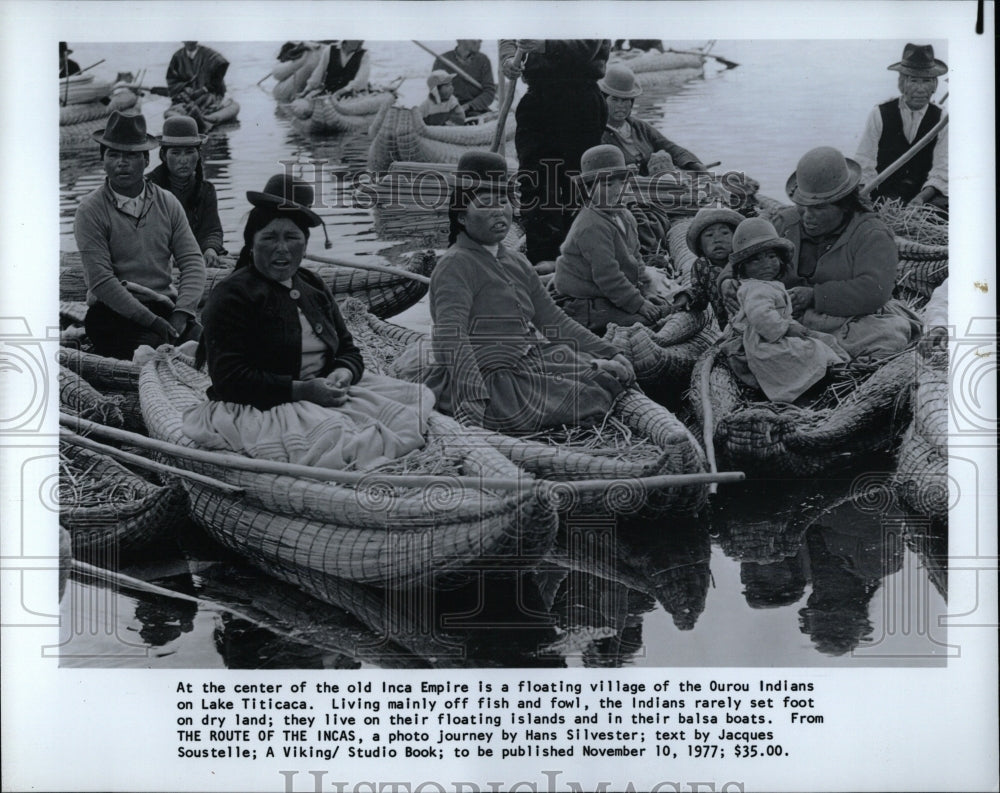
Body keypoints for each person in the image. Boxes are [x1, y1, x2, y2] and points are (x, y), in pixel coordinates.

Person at [186, 174, 434, 471]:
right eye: (269, 238)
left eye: (292, 238)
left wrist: (343, 373)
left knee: (414, 402)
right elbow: (229, 380)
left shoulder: (312, 285)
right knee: (341, 441)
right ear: (251, 243)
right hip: (262, 407)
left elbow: (347, 349)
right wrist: (301, 391)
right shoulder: (232, 294)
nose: (282, 249)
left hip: (321, 394)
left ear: (305, 245)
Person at [392, 151, 636, 435]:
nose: (499, 212)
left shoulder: (516, 261)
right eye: (485, 204)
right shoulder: (455, 265)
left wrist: (609, 351)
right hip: (485, 374)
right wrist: (473, 396)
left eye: (504, 201)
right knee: (589, 399)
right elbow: (451, 337)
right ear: (461, 216)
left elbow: (553, 321)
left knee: (605, 378)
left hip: (528, 356)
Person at [719, 146, 919, 360]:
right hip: (782, 322)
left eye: (819, 208)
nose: (807, 216)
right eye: (803, 206)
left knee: (891, 335)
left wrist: (815, 296)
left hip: (848, 322)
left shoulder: (872, 234)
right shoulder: (785, 222)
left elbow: (874, 291)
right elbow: (743, 254)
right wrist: (727, 281)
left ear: (844, 205)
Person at [73, 111, 206, 360]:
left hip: (163, 304)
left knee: (210, 345)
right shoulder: (90, 210)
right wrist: (153, 322)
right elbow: (101, 281)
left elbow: (193, 262)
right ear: (103, 160)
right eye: (113, 154)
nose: (122, 163)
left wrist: (181, 313)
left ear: (146, 160)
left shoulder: (167, 202)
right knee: (152, 350)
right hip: (112, 311)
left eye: (131, 155)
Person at [499, 38, 611, 264]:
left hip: (579, 98)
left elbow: (588, 46)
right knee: (534, 184)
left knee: (577, 187)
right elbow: (510, 36)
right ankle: (542, 263)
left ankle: (579, 262)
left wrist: (545, 46)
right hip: (538, 99)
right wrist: (509, 59)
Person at [720, 218, 850, 404]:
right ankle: (813, 383)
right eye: (756, 260)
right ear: (744, 267)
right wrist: (787, 329)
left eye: (772, 257)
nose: (766, 264)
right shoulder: (756, 289)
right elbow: (762, 316)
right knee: (805, 350)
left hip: (772, 332)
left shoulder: (767, 285)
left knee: (821, 340)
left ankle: (835, 369)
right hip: (764, 339)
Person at [552, 145, 667, 335]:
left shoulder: (625, 216)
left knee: (661, 309)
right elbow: (607, 275)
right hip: (584, 300)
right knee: (646, 323)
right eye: (607, 185)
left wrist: (645, 292)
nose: (618, 191)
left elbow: (636, 259)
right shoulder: (591, 225)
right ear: (589, 190)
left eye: (622, 184)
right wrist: (638, 304)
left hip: (611, 292)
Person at [855, 43, 948, 211]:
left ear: (935, 85)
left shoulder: (942, 119)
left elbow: (943, 168)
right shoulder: (879, 113)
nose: (920, 89)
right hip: (885, 193)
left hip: (924, 195)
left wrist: (920, 198)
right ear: (902, 83)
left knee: (942, 208)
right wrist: (866, 198)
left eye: (926, 81)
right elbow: (864, 162)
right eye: (913, 81)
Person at [145, 115, 225, 267]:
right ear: (164, 156)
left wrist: (210, 250)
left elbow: (212, 230)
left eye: (189, 152)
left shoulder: (206, 190)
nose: (183, 160)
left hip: (197, 259)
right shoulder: (148, 188)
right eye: (175, 153)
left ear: (198, 154)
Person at [599, 64, 707, 176]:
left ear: (632, 102)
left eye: (626, 100)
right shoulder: (597, 133)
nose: (621, 106)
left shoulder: (640, 127)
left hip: (655, 185)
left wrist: (694, 164)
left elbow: (670, 148)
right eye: (615, 100)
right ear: (604, 100)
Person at [674, 206, 744, 329]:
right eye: (709, 235)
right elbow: (700, 295)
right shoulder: (701, 265)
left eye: (725, 233)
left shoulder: (745, 260)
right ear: (700, 245)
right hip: (729, 327)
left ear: (736, 237)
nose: (717, 239)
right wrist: (687, 296)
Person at [433, 40, 496, 119]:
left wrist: (467, 106)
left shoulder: (483, 60)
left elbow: (489, 93)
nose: (480, 40)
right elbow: (435, 93)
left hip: (476, 111)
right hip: (449, 112)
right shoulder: (442, 61)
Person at [301, 40, 370, 98]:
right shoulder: (330, 49)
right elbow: (319, 72)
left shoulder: (364, 54)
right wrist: (306, 90)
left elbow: (360, 80)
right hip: (329, 91)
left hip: (350, 93)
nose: (360, 41)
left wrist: (340, 92)